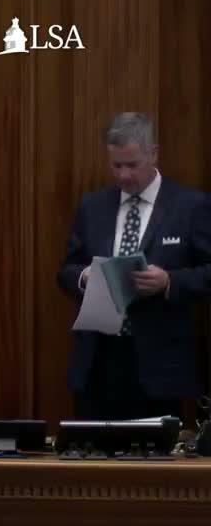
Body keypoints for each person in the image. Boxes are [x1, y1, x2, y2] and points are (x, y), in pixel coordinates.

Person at [57, 112, 211, 420]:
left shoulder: (190, 206)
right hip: (98, 363)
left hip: (159, 367)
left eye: (132, 165)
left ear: (154, 154)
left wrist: (169, 281)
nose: (124, 176)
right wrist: (85, 276)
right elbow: (65, 271)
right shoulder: (92, 207)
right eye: (116, 166)